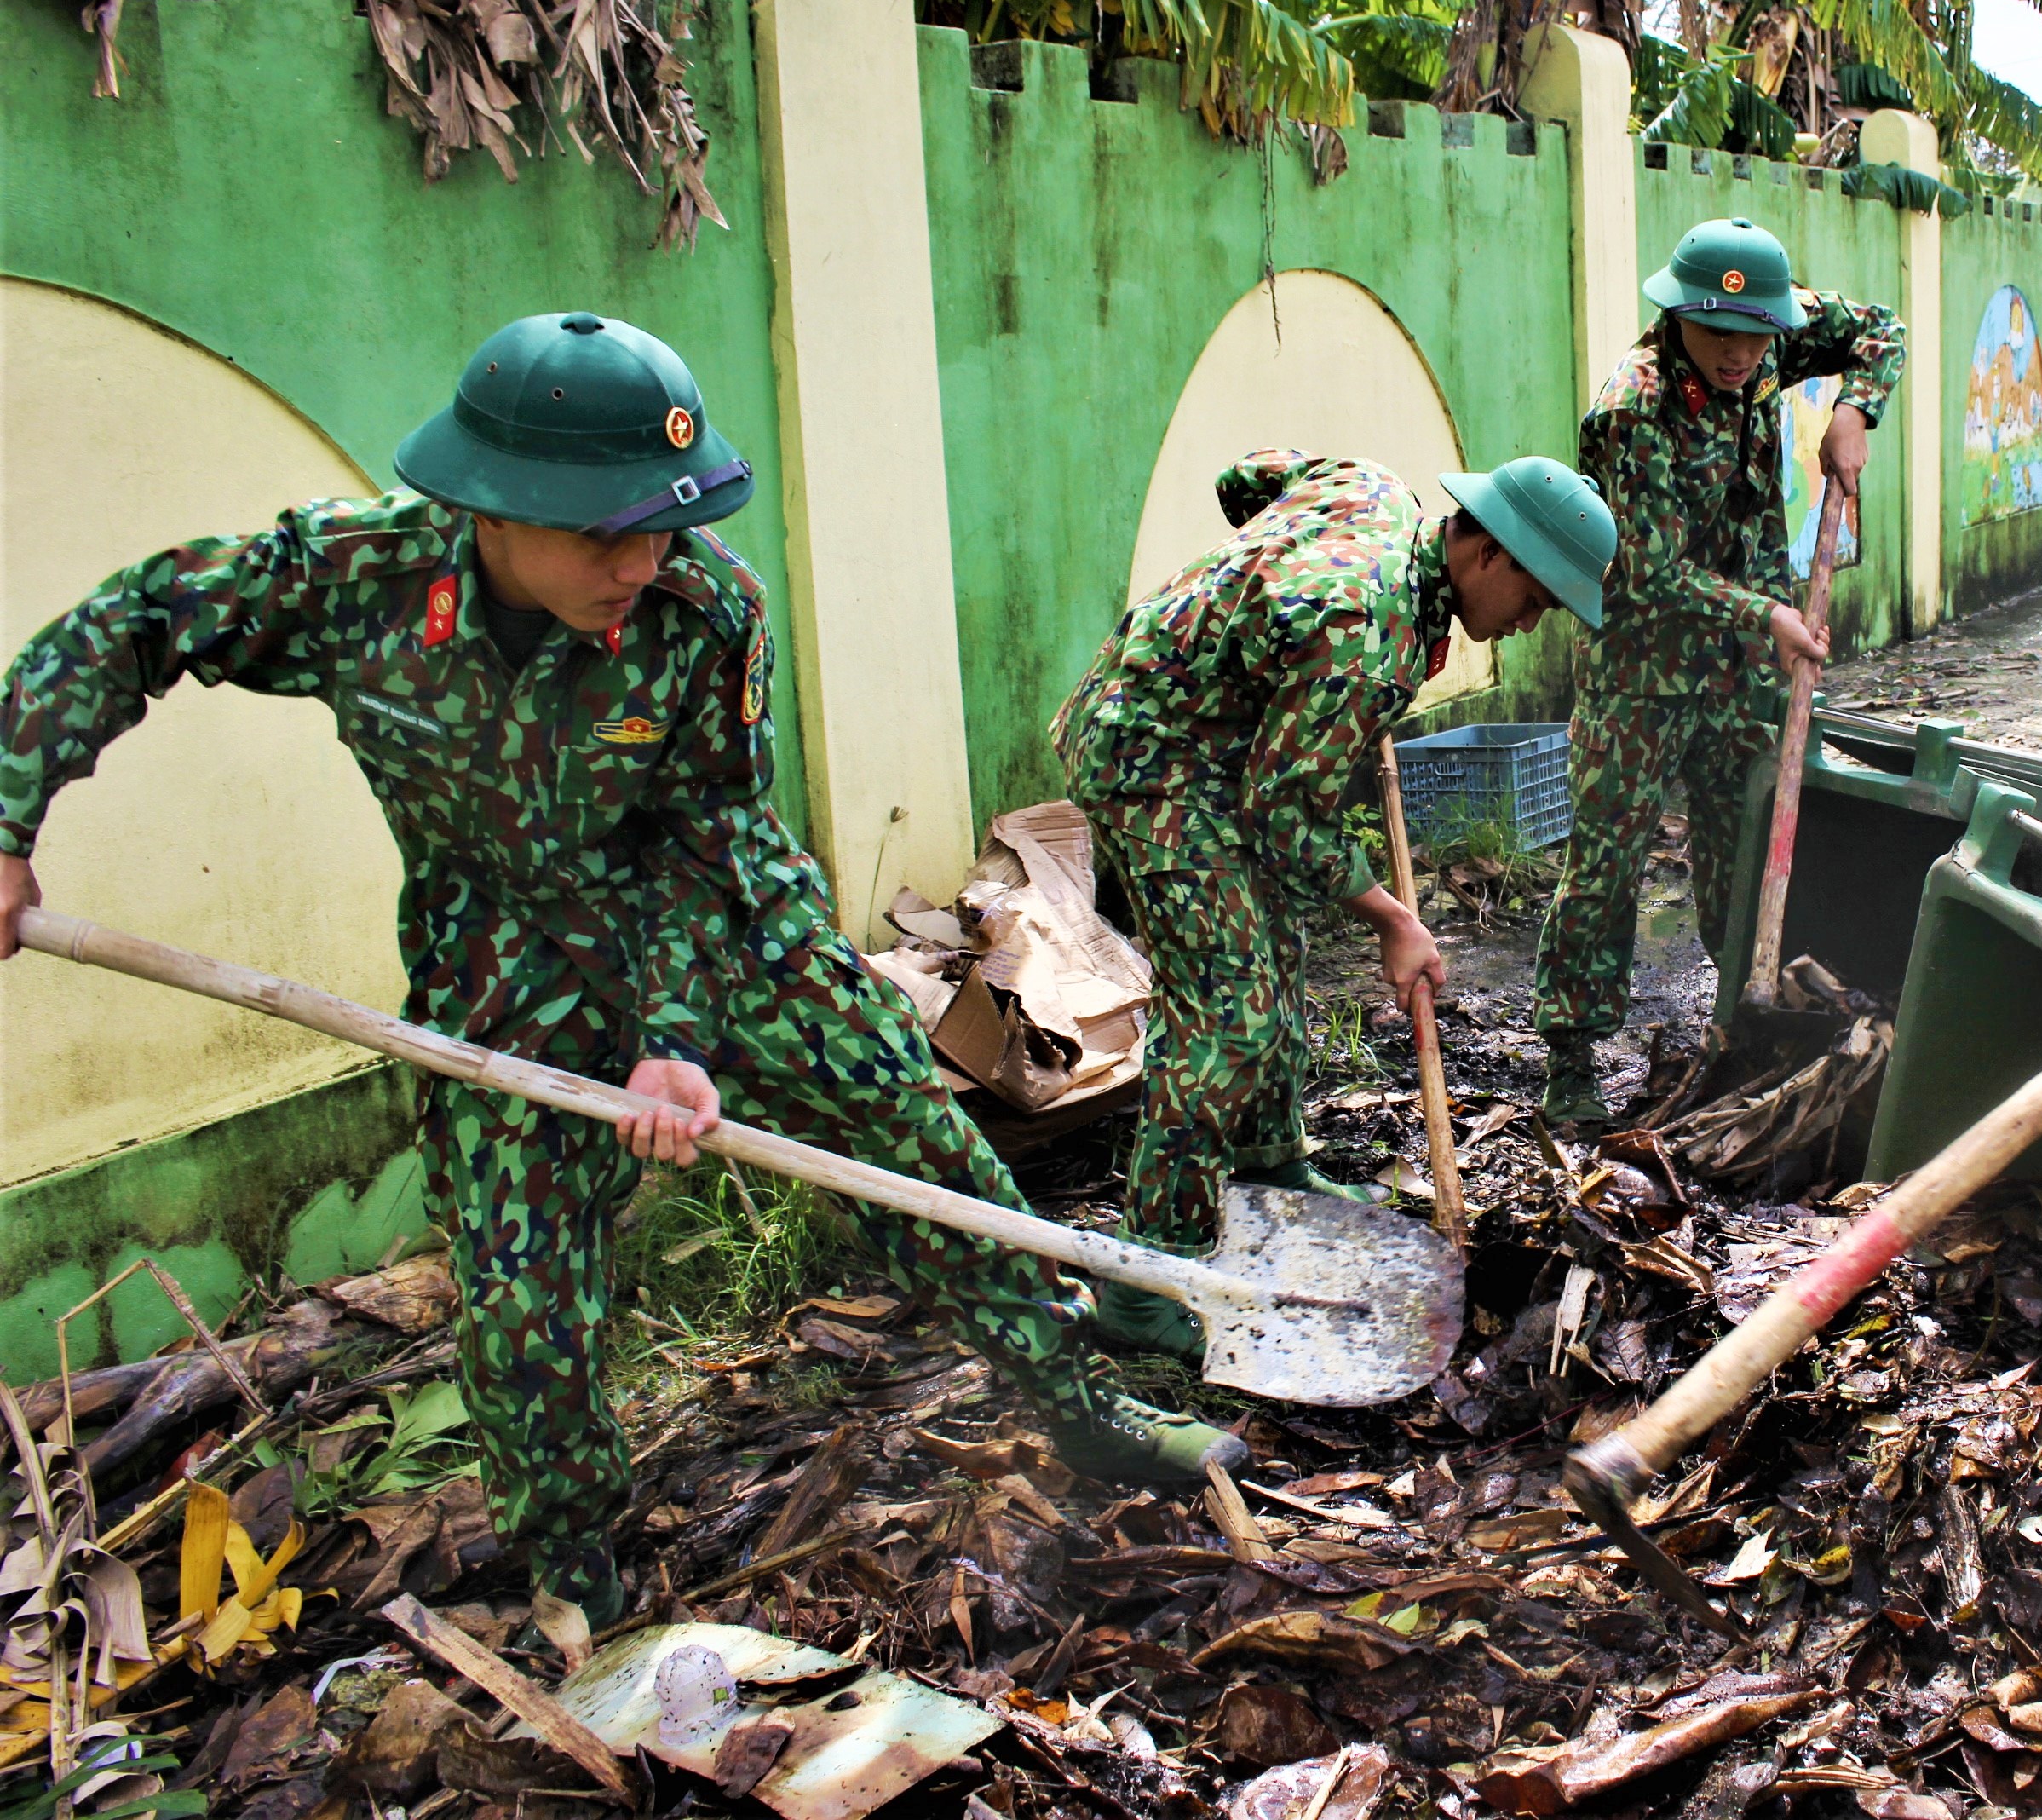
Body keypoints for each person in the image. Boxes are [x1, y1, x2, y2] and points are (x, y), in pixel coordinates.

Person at [0, 312, 1245, 1623]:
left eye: (664, 524)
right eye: (604, 532)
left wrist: (676, 1038)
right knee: (522, 1280)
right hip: (500, 953)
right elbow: (135, 622)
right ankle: (576, 1566)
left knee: (914, 1150)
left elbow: (702, 838)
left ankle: (1079, 1407)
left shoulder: (708, 611)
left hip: (729, 928)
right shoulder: (349, 577)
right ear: (494, 508)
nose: (641, 562)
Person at [1055, 450, 1615, 1356]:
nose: (1526, 627)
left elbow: (1248, 479)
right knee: (1226, 1017)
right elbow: (1282, 820)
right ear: (1491, 557)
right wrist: (1395, 917)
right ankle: (1147, 1283)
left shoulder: (1373, 489)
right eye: (1537, 601)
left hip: (1227, 750)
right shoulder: (1366, 638)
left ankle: (1271, 1163)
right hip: (1155, 764)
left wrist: (1257, 610)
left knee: (1278, 952)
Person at [1533, 217, 1905, 1123]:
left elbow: (1880, 327)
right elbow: (1646, 570)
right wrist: (1765, 611)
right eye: (1720, 335)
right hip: (1644, 673)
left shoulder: (1776, 330)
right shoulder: (1633, 407)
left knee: (1746, 849)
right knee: (1607, 866)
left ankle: (1747, 1027)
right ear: (1679, 315)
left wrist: (1855, 408)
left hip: (1742, 671)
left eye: (1756, 337)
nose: (1741, 355)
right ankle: (1572, 1064)